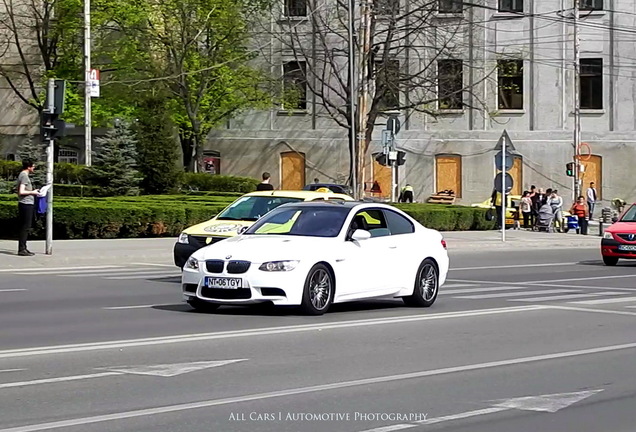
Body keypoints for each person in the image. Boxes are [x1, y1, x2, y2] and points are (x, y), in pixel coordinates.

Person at [16, 160, 39, 256]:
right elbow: (21, 191)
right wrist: (33, 192)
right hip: (26, 204)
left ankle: (23, 247)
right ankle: (22, 249)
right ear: (28, 167)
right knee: (25, 227)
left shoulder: (23, 175)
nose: (34, 168)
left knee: (25, 226)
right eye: (33, 166)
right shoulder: (24, 176)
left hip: (26, 203)